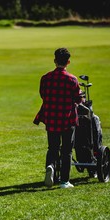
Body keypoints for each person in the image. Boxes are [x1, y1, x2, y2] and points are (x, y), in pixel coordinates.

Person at [33, 47, 82, 188]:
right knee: (66, 150)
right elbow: (78, 99)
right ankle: (64, 181)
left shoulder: (45, 78)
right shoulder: (72, 79)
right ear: (68, 62)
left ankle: (50, 167)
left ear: (55, 61)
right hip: (67, 119)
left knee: (52, 148)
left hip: (51, 118)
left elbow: (43, 95)